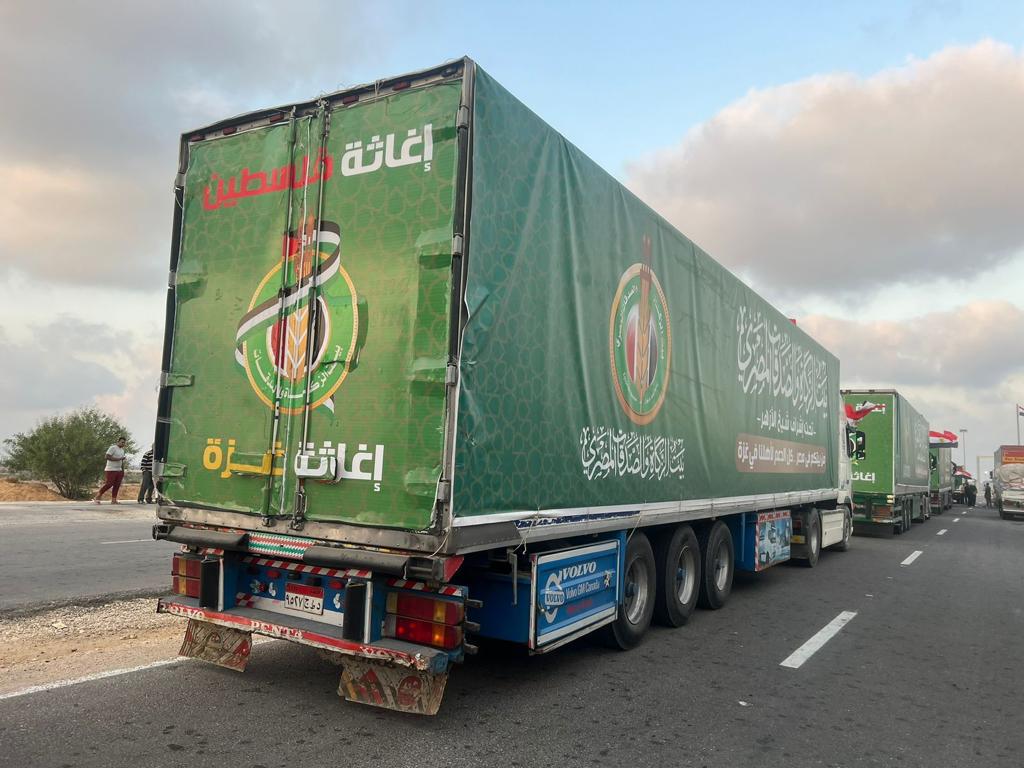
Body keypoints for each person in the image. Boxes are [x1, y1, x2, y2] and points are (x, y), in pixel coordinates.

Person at [94, 436, 127, 504]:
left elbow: (121, 461)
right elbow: (107, 456)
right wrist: (119, 459)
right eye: (122, 442)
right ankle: (98, 496)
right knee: (109, 484)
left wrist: (122, 471)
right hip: (111, 469)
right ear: (118, 442)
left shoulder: (122, 450)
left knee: (117, 485)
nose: (123, 444)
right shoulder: (113, 448)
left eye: (124, 443)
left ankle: (114, 500)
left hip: (119, 470)